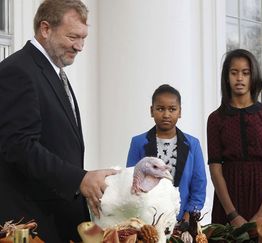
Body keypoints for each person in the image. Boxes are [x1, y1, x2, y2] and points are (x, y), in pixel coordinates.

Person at [0, 0, 117, 242]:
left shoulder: (51, 70)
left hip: (56, 219)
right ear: (45, 29)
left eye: (84, 37)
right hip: (30, 224)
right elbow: (19, 146)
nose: (81, 46)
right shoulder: (18, 70)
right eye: (73, 36)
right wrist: (79, 179)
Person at [207, 49, 262, 227]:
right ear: (227, 77)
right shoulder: (215, 119)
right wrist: (232, 214)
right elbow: (215, 170)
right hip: (229, 197)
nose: (240, 78)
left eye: (245, 73)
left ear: (253, 76)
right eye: (234, 73)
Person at [126, 84, 207, 227]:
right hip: (148, 224)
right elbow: (132, 182)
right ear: (152, 111)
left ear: (180, 112)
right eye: (160, 109)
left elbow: (198, 186)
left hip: (184, 223)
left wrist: (188, 218)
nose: (166, 114)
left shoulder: (193, 144)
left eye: (172, 109)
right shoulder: (138, 143)